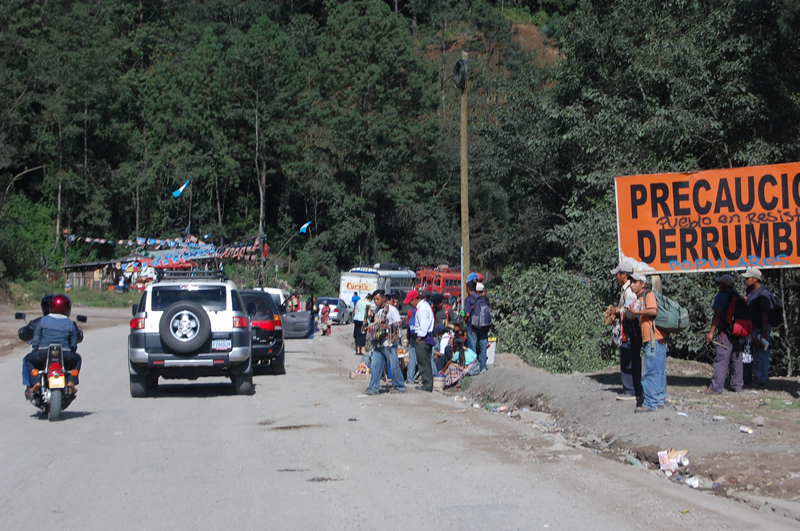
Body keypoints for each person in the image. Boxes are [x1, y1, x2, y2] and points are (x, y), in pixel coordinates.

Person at [23, 295, 81, 399]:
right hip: (65, 354)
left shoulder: (44, 320)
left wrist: (35, 350)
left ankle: (36, 382)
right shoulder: (70, 323)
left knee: (28, 359)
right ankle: (71, 381)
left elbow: (36, 339)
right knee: (78, 359)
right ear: (67, 309)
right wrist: (71, 352)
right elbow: (73, 344)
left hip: (44, 353)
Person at [626, 273, 668, 412]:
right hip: (656, 339)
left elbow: (653, 311)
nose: (632, 284)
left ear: (642, 284)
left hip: (654, 339)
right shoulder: (640, 297)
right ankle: (659, 400)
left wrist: (637, 312)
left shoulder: (648, 294)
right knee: (659, 371)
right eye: (631, 282)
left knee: (650, 371)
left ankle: (650, 403)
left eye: (635, 282)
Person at [704, 274, 744, 394]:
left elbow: (717, 315)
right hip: (739, 332)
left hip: (724, 332)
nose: (718, 286)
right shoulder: (739, 297)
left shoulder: (720, 297)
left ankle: (716, 387)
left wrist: (711, 332)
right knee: (737, 359)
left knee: (721, 359)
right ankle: (737, 385)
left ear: (724, 285)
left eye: (720, 283)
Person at [610, 261, 642, 401]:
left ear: (624, 275)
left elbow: (633, 310)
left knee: (629, 358)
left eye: (617, 274)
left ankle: (631, 389)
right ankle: (634, 388)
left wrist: (618, 311)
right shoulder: (626, 289)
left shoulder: (629, 291)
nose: (616, 276)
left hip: (630, 329)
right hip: (629, 328)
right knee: (630, 357)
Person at [364, 290, 406, 395]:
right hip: (379, 342)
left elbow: (399, 324)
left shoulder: (392, 310)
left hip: (390, 343)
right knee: (375, 365)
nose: (376, 301)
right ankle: (373, 388)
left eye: (377, 299)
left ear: (383, 299)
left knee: (394, 365)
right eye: (374, 300)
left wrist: (387, 326)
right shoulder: (378, 310)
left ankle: (400, 386)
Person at [742, 268, 772, 387]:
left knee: (760, 353)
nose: (745, 280)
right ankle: (750, 377)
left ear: (755, 279)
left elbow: (765, 313)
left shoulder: (763, 294)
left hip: (760, 328)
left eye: (748, 278)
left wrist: (764, 332)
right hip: (751, 327)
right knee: (750, 353)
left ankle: (761, 379)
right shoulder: (751, 291)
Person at [405, 289, 434, 392]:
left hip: (422, 338)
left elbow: (423, 326)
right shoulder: (425, 306)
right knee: (425, 361)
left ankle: (427, 384)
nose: (409, 304)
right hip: (426, 337)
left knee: (423, 362)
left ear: (414, 300)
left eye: (410, 301)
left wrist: (419, 337)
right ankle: (428, 383)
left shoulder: (421, 309)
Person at [471, 283, 492, 373]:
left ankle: (474, 366)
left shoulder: (472, 298)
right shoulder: (486, 299)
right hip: (484, 326)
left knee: (473, 346)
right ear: (483, 291)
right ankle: (483, 366)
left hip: (474, 326)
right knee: (483, 346)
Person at [463, 281, 479, 352]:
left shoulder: (468, 299)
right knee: (481, 347)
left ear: (468, 288)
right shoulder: (481, 298)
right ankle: (482, 363)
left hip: (472, 326)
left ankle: (473, 362)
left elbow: (467, 314)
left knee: (472, 347)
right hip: (483, 325)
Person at [405, 302, 418, 384]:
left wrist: (408, 338)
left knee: (412, 358)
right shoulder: (425, 308)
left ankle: (410, 378)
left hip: (413, 336)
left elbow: (408, 326)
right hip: (423, 336)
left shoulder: (410, 311)